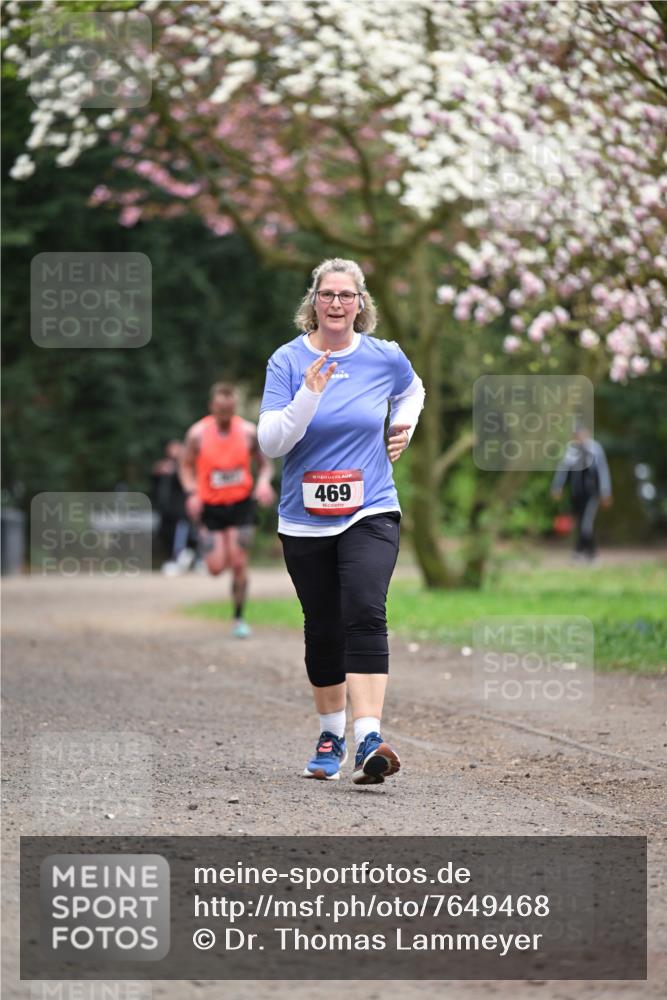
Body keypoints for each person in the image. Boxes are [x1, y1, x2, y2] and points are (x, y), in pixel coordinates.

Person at [258, 258, 425, 785]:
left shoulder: (385, 357)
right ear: (314, 301)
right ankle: (331, 733)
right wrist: (309, 392)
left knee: (364, 609)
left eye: (346, 295)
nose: (336, 303)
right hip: (304, 519)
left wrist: (403, 425)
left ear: (360, 303)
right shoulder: (287, 361)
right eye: (327, 295)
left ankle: (369, 736)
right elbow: (272, 442)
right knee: (323, 625)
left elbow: (413, 390)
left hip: (370, 507)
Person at [180, 382, 275, 637]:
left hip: (241, 504)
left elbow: (265, 465)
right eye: (221, 410)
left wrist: (264, 483)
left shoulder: (247, 432)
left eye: (230, 410)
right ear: (212, 406)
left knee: (239, 560)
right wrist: (192, 494)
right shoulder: (197, 434)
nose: (225, 415)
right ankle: (211, 552)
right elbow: (186, 467)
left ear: (235, 407)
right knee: (215, 567)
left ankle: (238, 617)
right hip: (211, 506)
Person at [551, 424, 612, 561]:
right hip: (576, 493)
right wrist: (557, 486)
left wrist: (605, 491)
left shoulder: (595, 449)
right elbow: (563, 469)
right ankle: (589, 553)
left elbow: (603, 471)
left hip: (592, 494)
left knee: (586, 523)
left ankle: (581, 552)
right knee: (581, 524)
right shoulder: (571, 449)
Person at [151, 440, 197, 575]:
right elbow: (155, 483)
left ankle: (179, 559)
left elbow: (186, 482)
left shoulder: (185, 467)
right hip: (165, 510)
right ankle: (178, 558)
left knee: (181, 535)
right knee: (166, 535)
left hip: (180, 510)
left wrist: (175, 469)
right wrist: (158, 471)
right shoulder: (163, 466)